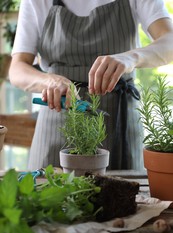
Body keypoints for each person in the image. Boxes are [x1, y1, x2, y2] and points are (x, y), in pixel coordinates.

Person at [9, 0, 173, 172]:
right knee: (48, 193)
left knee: (124, 194)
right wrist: (49, 81)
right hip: (57, 117)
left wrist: (131, 57)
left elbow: (169, 41)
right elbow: (17, 69)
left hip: (119, 119)